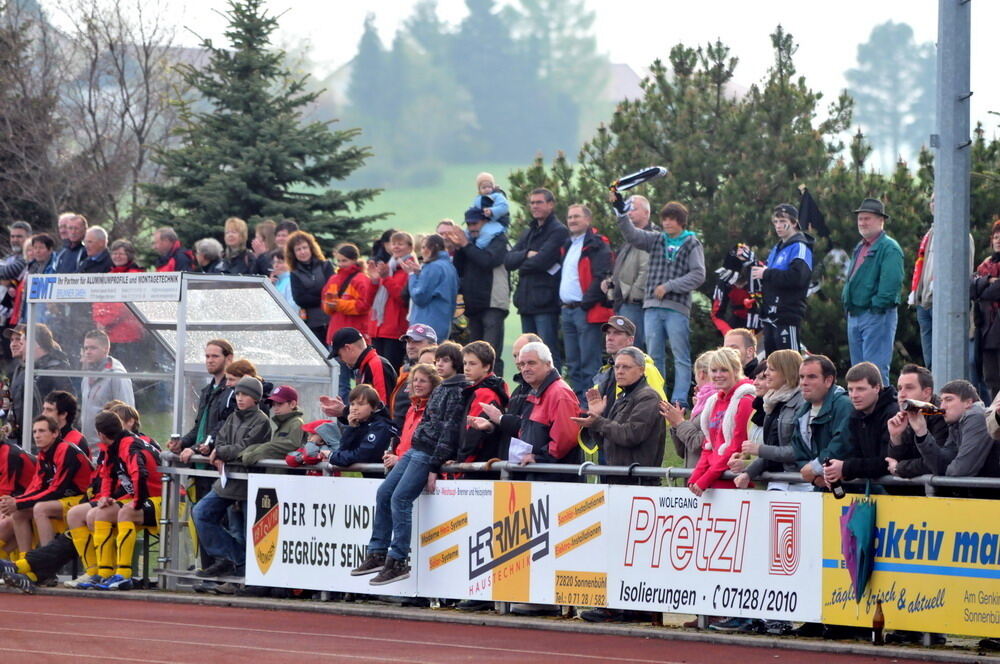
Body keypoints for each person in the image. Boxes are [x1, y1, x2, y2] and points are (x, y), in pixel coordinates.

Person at [350, 340, 467, 586]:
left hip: (426, 454)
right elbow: (431, 423)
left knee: (399, 498)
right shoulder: (443, 389)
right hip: (417, 449)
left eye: (444, 360)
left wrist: (435, 465)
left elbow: (449, 430)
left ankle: (398, 559)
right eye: (439, 360)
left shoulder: (457, 391)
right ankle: (378, 552)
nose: (440, 364)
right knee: (384, 493)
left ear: (455, 363)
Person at [613, 197, 706, 407]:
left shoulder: (692, 242)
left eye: (672, 219)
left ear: (681, 221)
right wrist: (620, 213)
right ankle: (656, 398)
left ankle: (679, 400)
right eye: (665, 219)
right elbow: (632, 234)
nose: (667, 223)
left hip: (677, 307)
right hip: (652, 307)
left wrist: (670, 286)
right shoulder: (656, 239)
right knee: (654, 357)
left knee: (680, 355)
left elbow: (699, 274)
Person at [192, 376, 272, 581]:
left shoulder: (262, 421)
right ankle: (232, 558)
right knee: (200, 512)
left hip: (247, 485)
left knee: (247, 533)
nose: (240, 398)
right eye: (237, 394)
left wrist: (220, 452)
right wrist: (222, 451)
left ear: (256, 398)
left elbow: (245, 448)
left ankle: (244, 571)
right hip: (227, 481)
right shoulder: (232, 418)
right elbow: (222, 441)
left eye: (245, 394)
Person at [171, 339, 234, 572]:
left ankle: (224, 567)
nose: (209, 360)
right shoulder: (209, 390)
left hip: (216, 467)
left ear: (228, 358)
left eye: (214, 356)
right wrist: (182, 443)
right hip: (200, 468)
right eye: (207, 356)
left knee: (216, 518)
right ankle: (208, 567)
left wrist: (197, 448)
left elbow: (223, 428)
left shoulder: (232, 391)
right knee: (200, 516)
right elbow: (200, 427)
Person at [481, 342, 581, 483]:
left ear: (548, 364)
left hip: (554, 478)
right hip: (540, 475)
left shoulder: (559, 393)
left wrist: (539, 457)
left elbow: (566, 438)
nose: (525, 369)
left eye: (531, 363)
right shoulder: (538, 392)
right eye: (522, 364)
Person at [87, 410, 163, 591]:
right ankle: (105, 572)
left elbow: (140, 474)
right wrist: (105, 496)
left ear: (101, 434)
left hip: (167, 498)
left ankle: (124, 574)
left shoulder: (129, 445)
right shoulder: (112, 447)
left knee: (126, 512)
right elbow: (108, 475)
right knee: (98, 513)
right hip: (146, 496)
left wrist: (137, 502)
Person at [0, 415, 91, 555]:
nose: (37, 435)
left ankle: (46, 563)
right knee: (18, 513)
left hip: (85, 498)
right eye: (35, 432)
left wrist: (17, 502)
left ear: (55, 433)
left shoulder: (65, 450)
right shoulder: (44, 454)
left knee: (41, 508)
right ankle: (26, 563)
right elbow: (37, 487)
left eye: (42, 431)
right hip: (61, 499)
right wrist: (17, 503)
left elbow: (56, 490)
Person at [574, 346, 664, 482]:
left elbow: (631, 435)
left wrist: (599, 421)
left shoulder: (648, 397)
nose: (620, 372)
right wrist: (594, 420)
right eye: (617, 367)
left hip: (638, 481)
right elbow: (605, 443)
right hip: (618, 477)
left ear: (641, 370)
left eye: (626, 367)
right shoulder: (623, 396)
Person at [842, 198, 904, 387]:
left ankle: (880, 413)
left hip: (877, 315)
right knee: (859, 372)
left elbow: (891, 285)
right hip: (857, 315)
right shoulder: (860, 246)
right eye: (860, 219)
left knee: (875, 371)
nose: (862, 223)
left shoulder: (889, 248)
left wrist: (875, 307)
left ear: (880, 220)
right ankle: (863, 413)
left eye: (867, 218)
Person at [505, 188, 570, 370]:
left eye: (539, 202)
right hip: (526, 302)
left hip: (545, 302)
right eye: (532, 202)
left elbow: (541, 261)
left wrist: (523, 262)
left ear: (550, 204)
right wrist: (527, 254)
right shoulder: (529, 232)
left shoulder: (558, 231)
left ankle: (552, 392)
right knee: (526, 354)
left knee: (546, 353)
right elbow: (508, 261)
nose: (534, 206)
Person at [559, 204, 614, 402]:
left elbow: (602, 276)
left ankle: (590, 404)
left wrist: (584, 303)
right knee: (573, 362)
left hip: (586, 311)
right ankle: (576, 402)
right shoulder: (568, 244)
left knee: (588, 362)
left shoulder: (597, 244)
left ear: (588, 220)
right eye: (569, 217)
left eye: (576, 216)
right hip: (568, 310)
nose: (572, 220)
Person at [685, 347, 755, 496]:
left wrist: (706, 478)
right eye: (714, 370)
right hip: (713, 482)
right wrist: (695, 477)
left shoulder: (745, 401)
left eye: (724, 370)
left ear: (736, 370)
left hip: (733, 483)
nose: (717, 375)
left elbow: (736, 447)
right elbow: (709, 445)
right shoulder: (714, 401)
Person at [892, 379, 997, 478]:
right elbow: (942, 462)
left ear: (968, 402)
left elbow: (961, 470)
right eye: (941, 400)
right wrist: (921, 432)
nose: (942, 406)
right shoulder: (955, 423)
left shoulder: (977, 416)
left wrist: (944, 474)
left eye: (948, 399)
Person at [732, 349, 805, 489]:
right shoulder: (771, 403)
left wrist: (760, 450)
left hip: (799, 482)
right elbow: (772, 452)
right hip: (779, 481)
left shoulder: (801, 402)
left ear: (786, 371)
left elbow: (799, 451)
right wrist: (748, 472)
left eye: (771, 369)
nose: (766, 373)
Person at [450, 209, 510, 376]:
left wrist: (466, 245)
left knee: (490, 353)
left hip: (493, 302)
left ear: (486, 222)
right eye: (468, 224)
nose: (471, 228)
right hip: (474, 304)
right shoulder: (469, 242)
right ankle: (475, 388)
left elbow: (487, 261)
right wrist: (459, 248)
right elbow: (459, 268)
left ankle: (495, 390)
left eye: (475, 223)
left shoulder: (498, 238)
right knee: (474, 353)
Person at [822, 361, 898, 489]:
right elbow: (853, 454)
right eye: (850, 389)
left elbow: (886, 461)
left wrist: (845, 468)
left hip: (902, 492)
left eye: (861, 389)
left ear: (877, 388)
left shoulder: (893, 413)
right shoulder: (855, 414)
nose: (854, 395)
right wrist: (837, 471)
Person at [751, 204, 814, 354]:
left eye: (782, 221)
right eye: (775, 222)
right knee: (773, 365)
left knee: (789, 363)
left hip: (787, 314)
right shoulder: (777, 248)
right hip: (770, 315)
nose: (778, 226)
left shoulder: (799, 247)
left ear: (793, 223)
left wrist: (766, 274)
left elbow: (797, 278)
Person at [793, 355, 856, 489]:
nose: (804, 382)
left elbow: (843, 442)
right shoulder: (801, 414)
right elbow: (799, 453)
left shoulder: (844, 405)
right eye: (802, 377)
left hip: (853, 490)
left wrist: (816, 468)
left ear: (828, 381)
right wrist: (814, 477)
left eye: (811, 377)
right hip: (821, 491)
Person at [886, 364, 949, 478]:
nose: (902, 394)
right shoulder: (903, 415)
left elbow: (936, 463)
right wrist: (896, 438)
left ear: (927, 393)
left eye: (909, 388)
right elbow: (892, 462)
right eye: (899, 388)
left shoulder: (942, 415)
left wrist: (899, 468)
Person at [92, 240, 146, 369]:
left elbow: (124, 305)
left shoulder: (135, 275)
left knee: (126, 370)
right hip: (108, 334)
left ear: (129, 255)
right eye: (114, 253)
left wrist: (105, 322)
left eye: (121, 254)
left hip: (127, 333)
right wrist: (98, 321)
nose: (117, 256)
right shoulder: (109, 275)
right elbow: (98, 300)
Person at [606, 195, 651, 349]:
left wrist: (633, 295)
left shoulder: (650, 237)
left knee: (633, 349)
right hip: (623, 301)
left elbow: (646, 270)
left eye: (634, 209)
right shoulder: (628, 240)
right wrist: (610, 284)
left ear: (646, 212)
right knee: (623, 349)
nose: (629, 213)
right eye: (628, 209)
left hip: (635, 303)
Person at [370, 231, 415, 371]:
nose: (396, 247)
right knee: (377, 370)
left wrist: (385, 279)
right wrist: (374, 280)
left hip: (395, 329)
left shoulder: (410, 269)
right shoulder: (389, 267)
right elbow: (370, 298)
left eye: (400, 244)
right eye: (393, 243)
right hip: (379, 328)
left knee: (390, 370)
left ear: (410, 247)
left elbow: (402, 298)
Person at [326, 385, 399, 472]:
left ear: (374, 407)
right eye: (352, 404)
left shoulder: (381, 426)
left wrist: (332, 456)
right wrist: (352, 428)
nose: (354, 408)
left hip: (383, 478)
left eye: (360, 404)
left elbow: (363, 456)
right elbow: (343, 450)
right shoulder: (361, 424)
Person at [457, 341, 508, 464]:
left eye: (472, 364)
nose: (467, 368)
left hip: (477, 464)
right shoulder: (483, 389)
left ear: (486, 366)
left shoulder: (484, 393)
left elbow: (473, 434)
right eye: (465, 363)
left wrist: (461, 463)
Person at [79, 330, 135, 442]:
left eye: (93, 348)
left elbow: (127, 414)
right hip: (89, 446)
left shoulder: (117, 376)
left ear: (106, 349)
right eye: (86, 348)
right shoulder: (87, 376)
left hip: (109, 446)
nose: (88, 352)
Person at [403, 234, 459, 344]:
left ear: (432, 248)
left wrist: (412, 275)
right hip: (443, 321)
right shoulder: (449, 267)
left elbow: (420, 296)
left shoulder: (433, 267)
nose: (422, 251)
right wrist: (419, 274)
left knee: (424, 357)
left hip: (426, 324)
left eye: (424, 247)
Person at [384, 363, 441, 469]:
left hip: (415, 466)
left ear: (433, 384)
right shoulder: (412, 408)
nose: (417, 384)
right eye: (415, 380)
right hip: (401, 463)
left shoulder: (433, 410)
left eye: (422, 381)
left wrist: (399, 459)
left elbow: (426, 447)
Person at [664, 350, 714, 468]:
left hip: (705, 480)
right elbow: (684, 452)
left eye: (695, 375)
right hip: (695, 479)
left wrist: (680, 423)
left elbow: (697, 444)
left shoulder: (717, 403)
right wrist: (676, 425)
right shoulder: (701, 404)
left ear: (701, 374)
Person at [327, 327, 398, 406]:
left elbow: (383, 407)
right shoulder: (365, 365)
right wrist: (343, 411)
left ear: (348, 348)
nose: (341, 360)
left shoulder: (375, 365)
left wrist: (345, 412)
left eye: (339, 355)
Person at [286, 230, 334, 345]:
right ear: (293, 253)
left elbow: (332, 291)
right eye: (298, 249)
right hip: (312, 324)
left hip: (331, 320)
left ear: (311, 248)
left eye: (304, 248)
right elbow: (300, 299)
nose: (302, 252)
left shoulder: (326, 266)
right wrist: (321, 294)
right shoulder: (295, 273)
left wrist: (311, 293)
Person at [239, 385, 304, 469]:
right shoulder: (284, 423)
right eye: (274, 405)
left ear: (292, 404)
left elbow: (292, 445)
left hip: (285, 477)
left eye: (280, 404)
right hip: (278, 475)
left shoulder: (296, 422)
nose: (275, 408)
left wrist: (254, 454)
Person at [322, 242, 374, 345]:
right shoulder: (333, 279)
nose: (341, 264)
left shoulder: (361, 279)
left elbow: (365, 305)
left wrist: (338, 305)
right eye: (338, 261)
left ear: (354, 260)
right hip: (335, 333)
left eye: (344, 260)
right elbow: (325, 304)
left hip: (355, 336)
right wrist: (329, 306)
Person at [389, 324, 438, 429]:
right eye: (408, 341)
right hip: (398, 431)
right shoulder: (404, 370)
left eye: (417, 341)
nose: (410, 346)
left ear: (433, 345)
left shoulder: (439, 374)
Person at [972, 219, 1000, 398]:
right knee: (991, 379)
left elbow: (994, 292)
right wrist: (988, 281)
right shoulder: (985, 265)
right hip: (986, 331)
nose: (998, 240)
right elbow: (970, 288)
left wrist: (982, 288)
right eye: (996, 237)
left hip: (997, 327)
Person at [42, 390, 90, 459]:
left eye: (49, 410)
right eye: (44, 409)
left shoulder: (76, 442)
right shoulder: (49, 437)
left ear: (63, 414)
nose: (43, 414)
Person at [469, 171, 509, 247]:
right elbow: (475, 209)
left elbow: (504, 207)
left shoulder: (498, 196)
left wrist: (492, 211)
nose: (487, 189)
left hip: (498, 222)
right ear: (479, 189)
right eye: (484, 187)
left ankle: (478, 247)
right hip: (483, 222)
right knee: (469, 232)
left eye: (489, 187)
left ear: (493, 187)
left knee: (486, 233)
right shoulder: (478, 199)